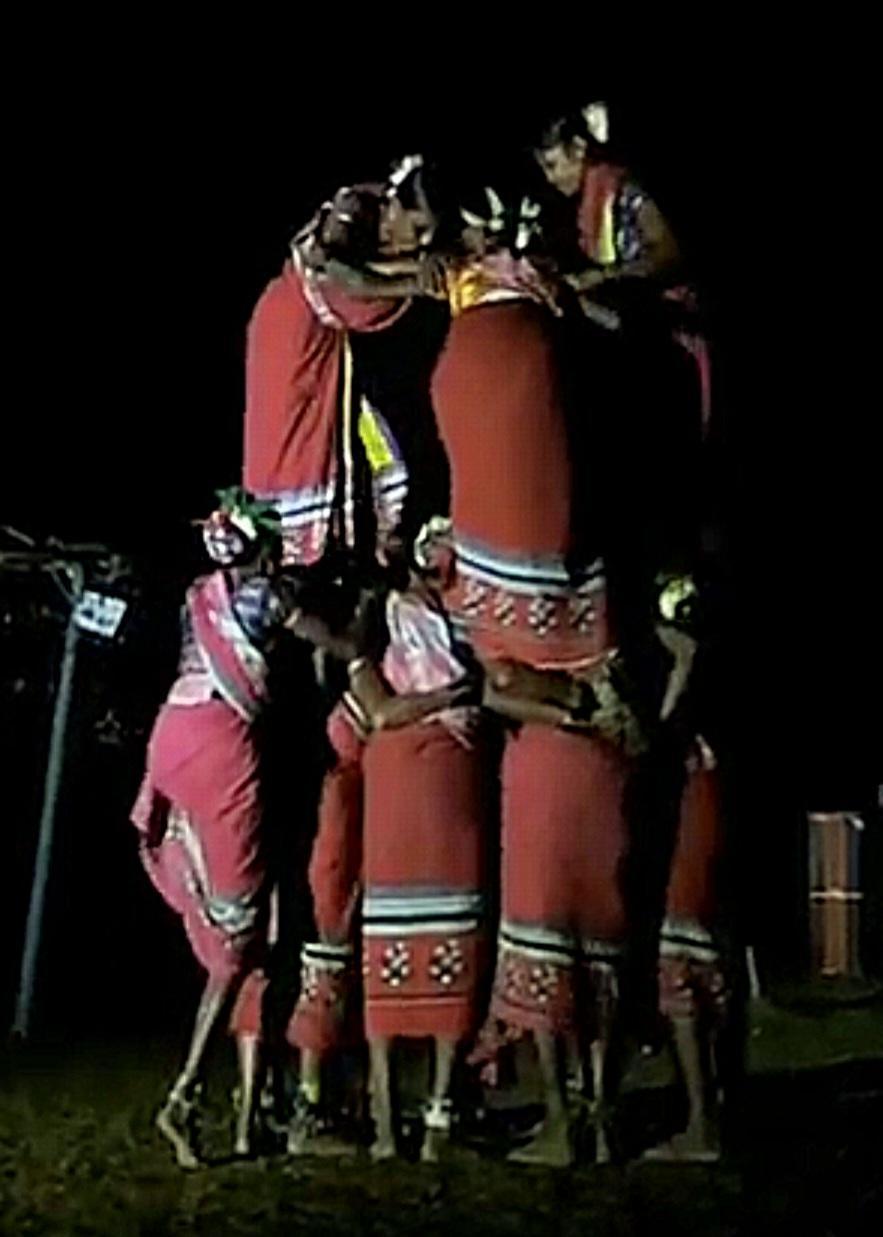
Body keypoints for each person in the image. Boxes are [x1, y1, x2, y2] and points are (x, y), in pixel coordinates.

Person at [130, 489, 302, 1167]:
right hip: (224, 753)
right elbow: (339, 638)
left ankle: (243, 1118)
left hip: (172, 734)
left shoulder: (197, 594)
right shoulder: (272, 598)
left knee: (250, 932)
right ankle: (185, 1093)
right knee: (237, 941)